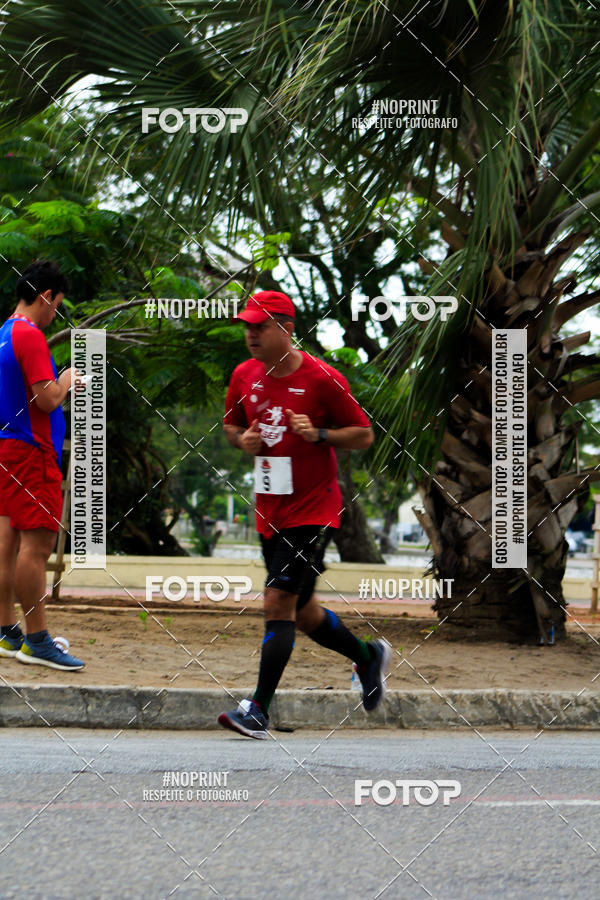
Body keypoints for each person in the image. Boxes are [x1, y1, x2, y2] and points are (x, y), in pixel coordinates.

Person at [218, 290, 391, 739]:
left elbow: (364, 435)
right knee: (302, 611)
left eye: (260, 326)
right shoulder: (243, 375)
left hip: (315, 509)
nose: (250, 334)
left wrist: (318, 434)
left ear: (286, 329)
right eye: (247, 326)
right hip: (269, 508)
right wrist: (243, 442)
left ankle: (257, 710)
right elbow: (231, 426)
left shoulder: (321, 378)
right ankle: (368, 656)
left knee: (277, 600)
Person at [0, 259, 84, 670]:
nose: (55, 315)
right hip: (32, 453)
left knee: (6, 545)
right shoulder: (30, 336)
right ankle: (37, 639)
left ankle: (6, 631)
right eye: (57, 305)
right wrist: (68, 378)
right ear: (46, 297)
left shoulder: (2, 332)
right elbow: (46, 398)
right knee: (36, 548)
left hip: (6, 449)